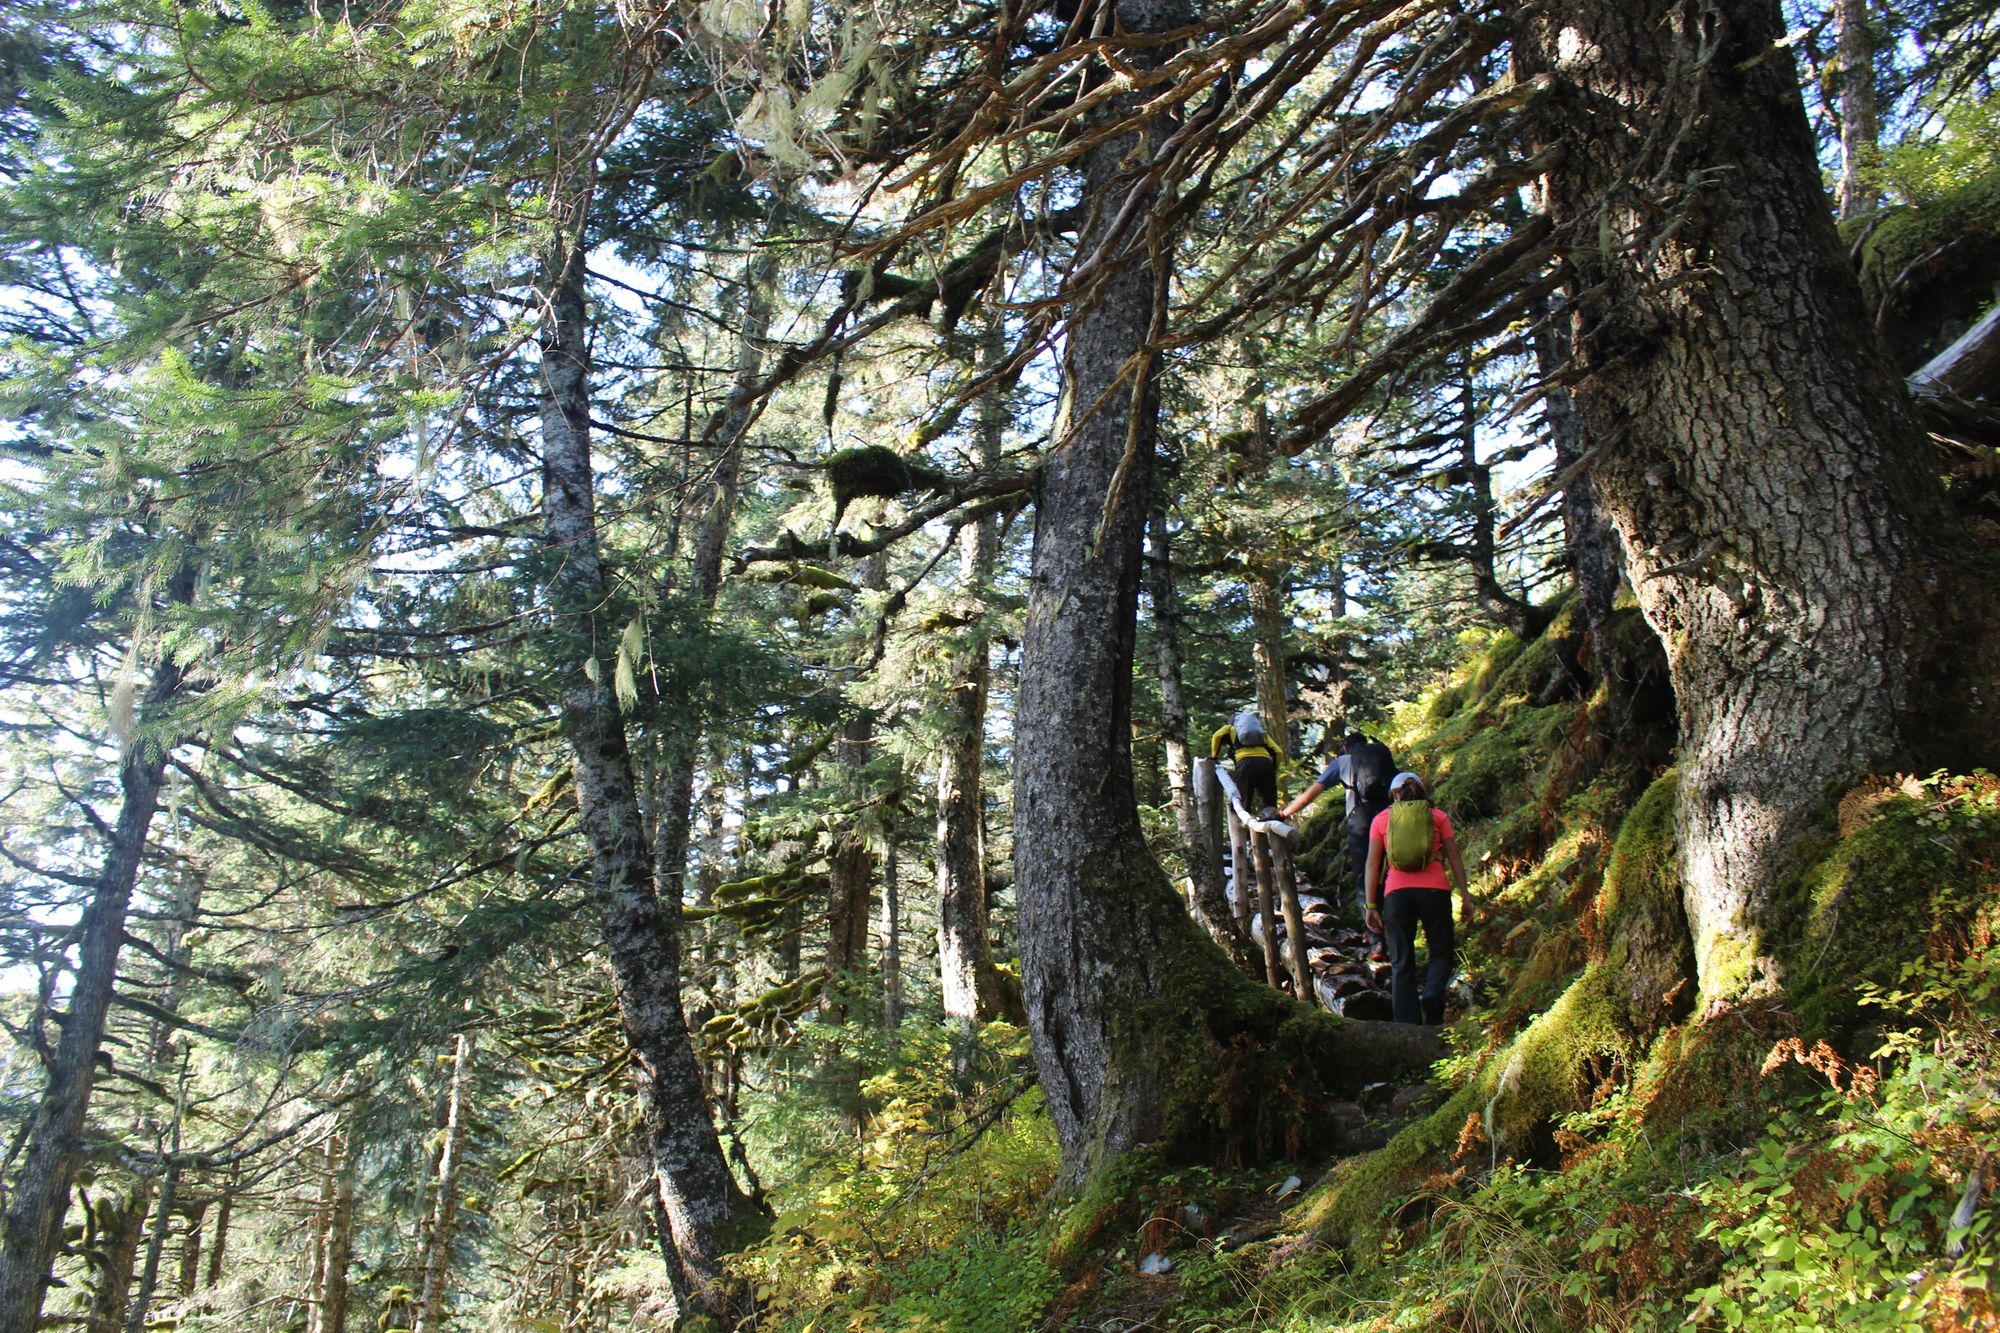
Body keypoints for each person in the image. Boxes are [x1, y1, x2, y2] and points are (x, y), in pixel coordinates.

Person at [1364, 772, 1469, 1025]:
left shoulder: (1381, 820)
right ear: (1422, 790)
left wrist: (1370, 905)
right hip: (1435, 890)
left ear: (1395, 795)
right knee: (1441, 951)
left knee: (1401, 961)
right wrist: (1466, 895)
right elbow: (1454, 856)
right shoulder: (1438, 816)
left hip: (1397, 894)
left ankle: (1406, 1024)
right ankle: (1432, 995)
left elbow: (1372, 864)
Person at [1279, 730, 1395, 913]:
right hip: (1389, 817)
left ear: (1346, 748)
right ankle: (1392, 923)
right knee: (1389, 869)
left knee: (1364, 874)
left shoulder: (1342, 762)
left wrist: (1283, 814)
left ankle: (1374, 934)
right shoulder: (1380, 760)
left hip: (1361, 820)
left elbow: (1310, 795)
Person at [1210, 710, 1283, 814]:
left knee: (1242, 803)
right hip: (1265, 764)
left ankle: (1243, 826)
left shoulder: (1230, 728)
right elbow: (1278, 752)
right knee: (1270, 803)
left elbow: (1217, 736)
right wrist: (1273, 770)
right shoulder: (1261, 734)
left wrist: (1214, 755)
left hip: (1245, 764)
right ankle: (1271, 823)